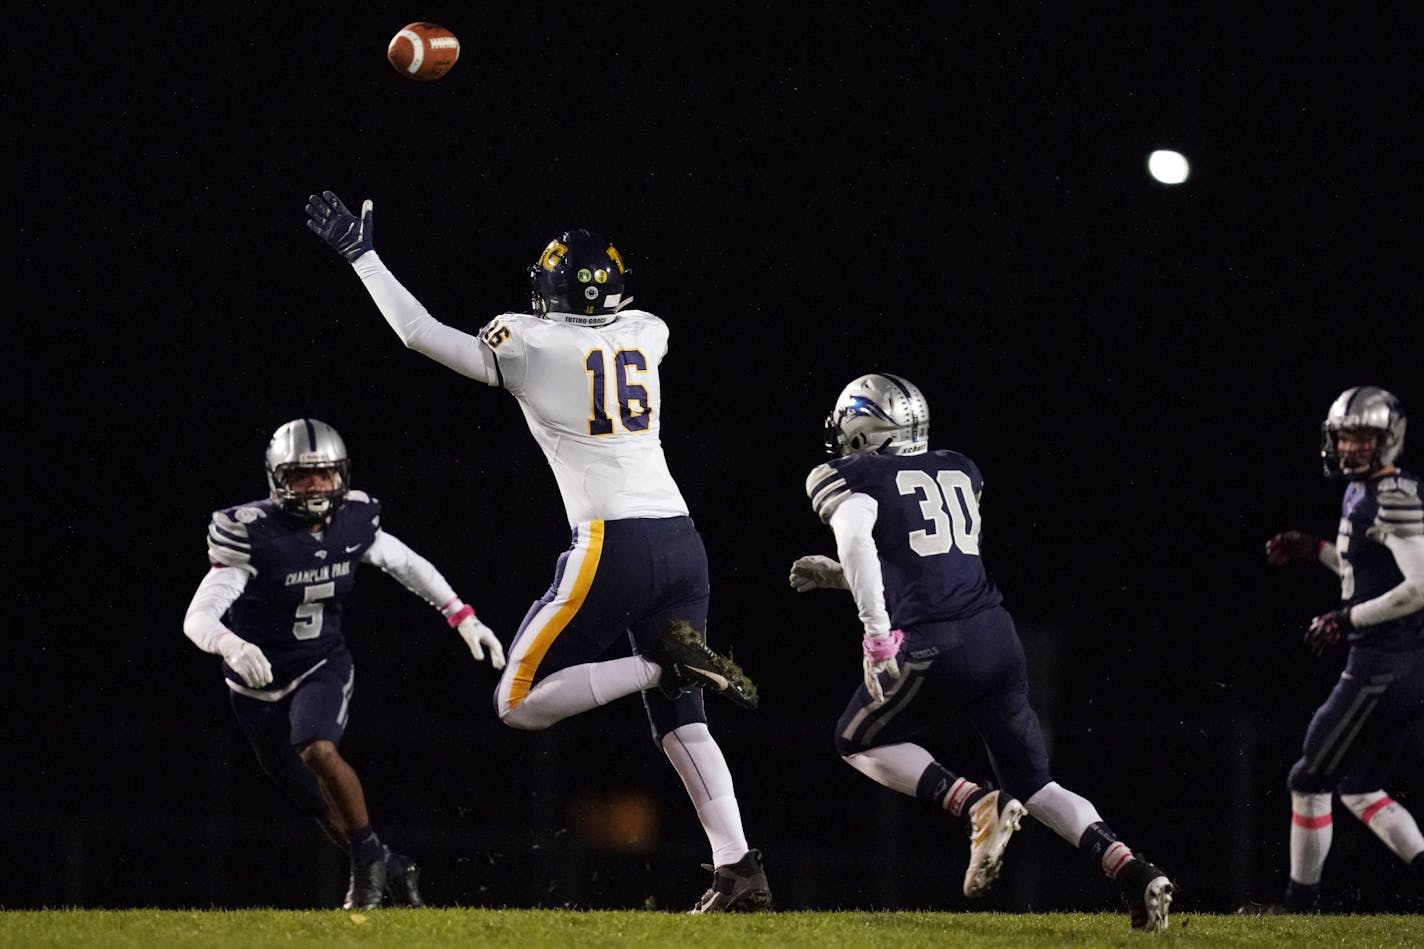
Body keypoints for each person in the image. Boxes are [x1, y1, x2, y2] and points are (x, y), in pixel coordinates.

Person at [303, 191, 771, 913]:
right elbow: (619, 330)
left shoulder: (528, 340)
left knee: (516, 702)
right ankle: (740, 869)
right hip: (683, 540)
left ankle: (661, 661)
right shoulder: (649, 331)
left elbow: (419, 332)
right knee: (684, 719)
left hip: (612, 541)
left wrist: (361, 256)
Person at [788, 372, 1174, 931]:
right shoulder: (957, 467)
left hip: (932, 643)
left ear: (868, 427)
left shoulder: (850, 474)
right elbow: (932, 562)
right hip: (996, 637)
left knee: (854, 739)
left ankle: (973, 804)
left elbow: (856, 539)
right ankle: (1134, 872)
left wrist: (875, 635)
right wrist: (843, 580)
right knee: (1035, 784)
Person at [182, 418, 506, 910]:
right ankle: (389, 865)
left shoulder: (354, 521)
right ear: (276, 480)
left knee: (316, 748)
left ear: (342, 476)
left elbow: (405, 562)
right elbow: (198, 617)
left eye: (324, 475)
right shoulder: (253, 533)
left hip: (321, 664)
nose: (314, 487)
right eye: (300, 476)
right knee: (314, 800)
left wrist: (461, 616)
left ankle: (366, 868)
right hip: (254, 687)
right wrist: (231, 645)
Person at [1242, 385, 1424, 914]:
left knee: (1308, 777)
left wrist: (1345, 619)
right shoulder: (1365, 491)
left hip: (1383, 665)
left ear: (1389, 440)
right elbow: (1364, 570)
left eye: (1364, 438)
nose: (1350, 448)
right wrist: (1313, 549)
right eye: (1344, 437)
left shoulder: (1392, 495)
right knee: (1361, 788)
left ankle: (1299, 906)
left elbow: (1418, 587)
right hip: (1399, 663)